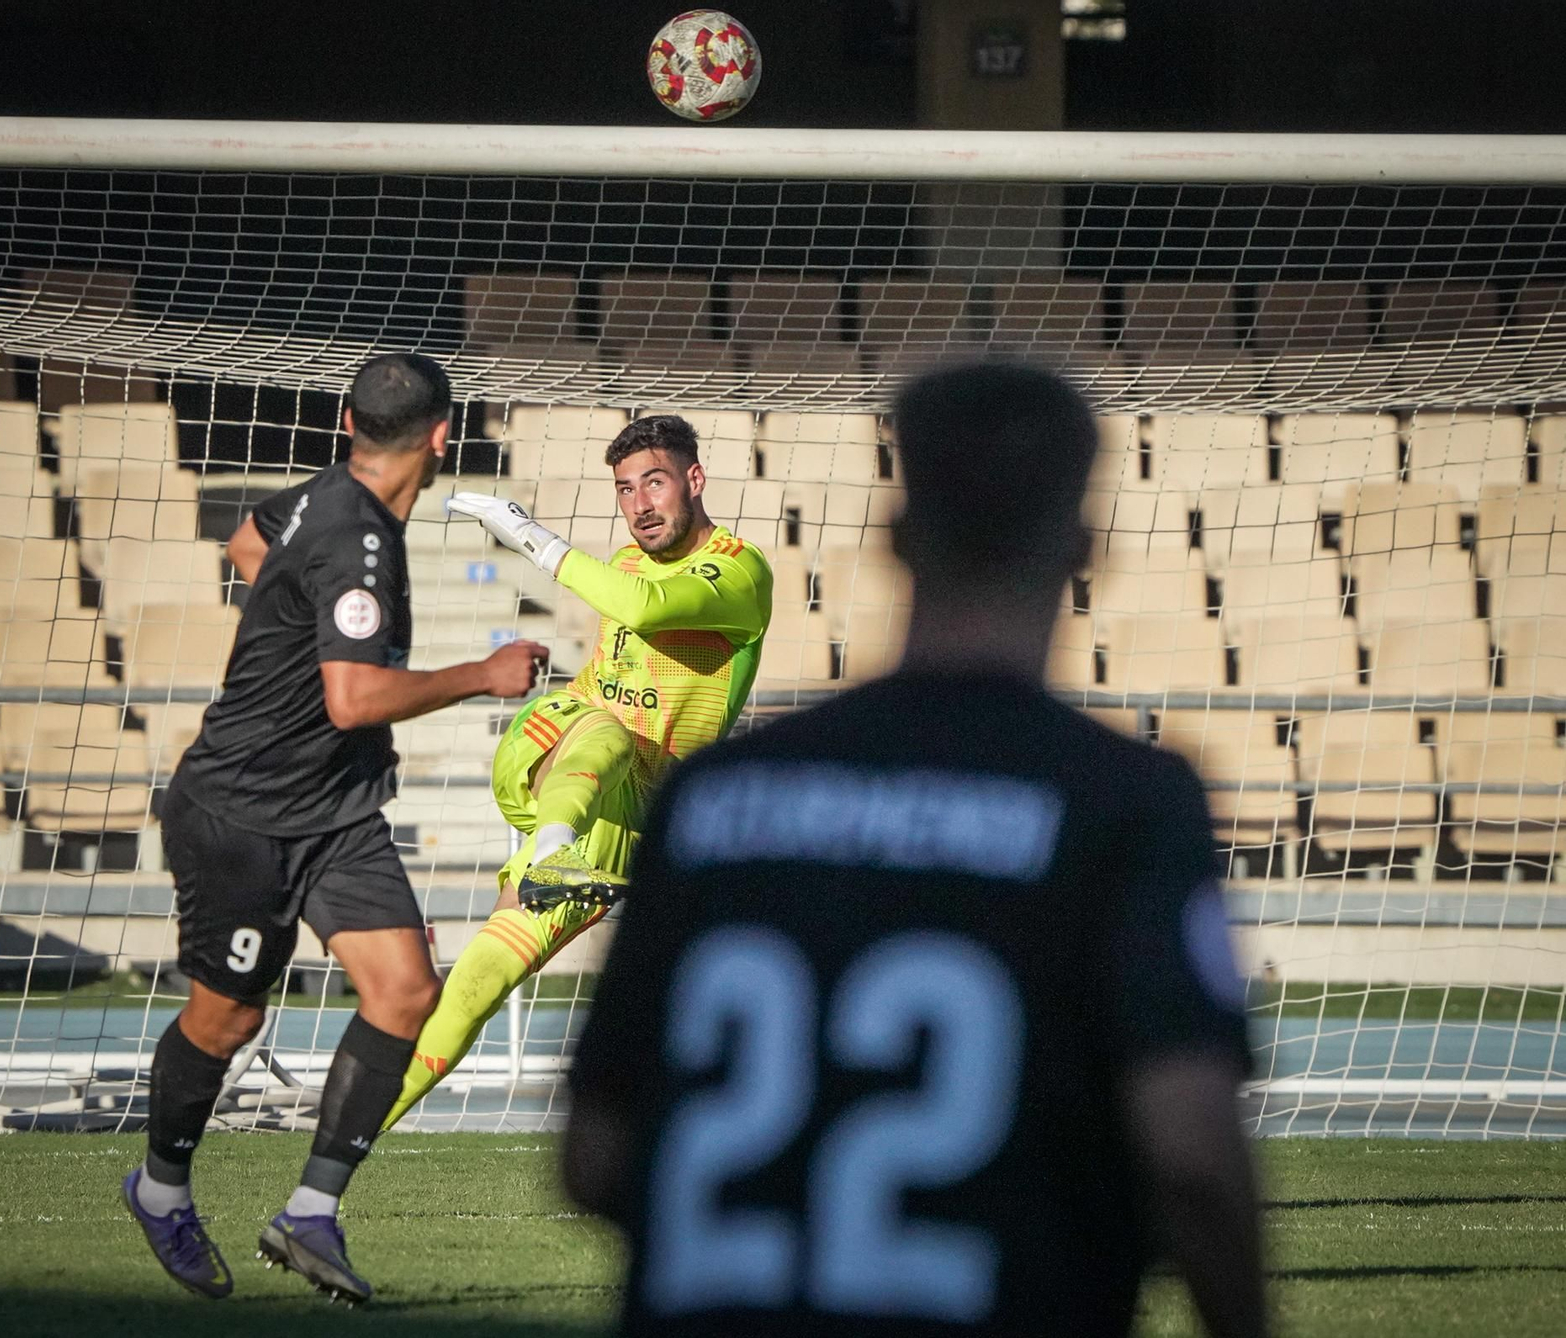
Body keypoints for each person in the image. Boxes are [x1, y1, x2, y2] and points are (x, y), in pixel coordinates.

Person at [562, 362, 1267, 1338]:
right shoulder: (1126, 802)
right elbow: (1192, 1164)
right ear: (1080, 548)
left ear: (895, 540)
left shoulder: (710, 796)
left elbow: (592, 1158)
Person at [122, 353, 546, 1306]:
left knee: (405, 992)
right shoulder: (356, 537)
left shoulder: (321, 496)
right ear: (443, 434)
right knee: (229, 1018)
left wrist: (285, 627)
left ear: (348, 421)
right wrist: (482, 673)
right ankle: (158, 1188)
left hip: (335, 812)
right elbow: (353, 699)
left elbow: (244, 542)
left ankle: (310, 1213)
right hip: (241, 812)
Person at [380, 413, 772, 1128]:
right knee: (608, 729)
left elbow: (646, 611)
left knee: (477, 982)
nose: (639, 506)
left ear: (695, 479)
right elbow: (610, 664)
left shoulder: (739, 572)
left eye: (653, 484)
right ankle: (552, 848)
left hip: (617, 824)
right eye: (624, 490)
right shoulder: (623, 564)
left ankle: (327, 1164)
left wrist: (530, 535)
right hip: (556, 747)